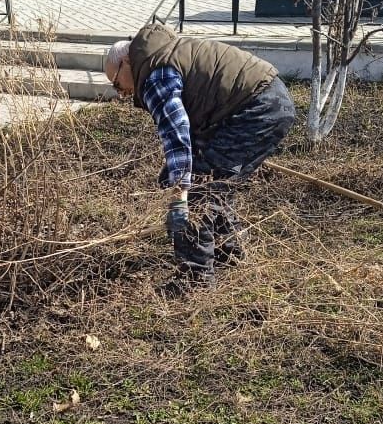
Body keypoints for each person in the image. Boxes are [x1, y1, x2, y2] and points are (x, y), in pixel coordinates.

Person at [104, 22, 296, 292]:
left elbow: (177, 135)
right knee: (215, 183)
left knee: (200, 192)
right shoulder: (164, 53)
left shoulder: (154, 75)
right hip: (263, 101)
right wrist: (173, 176)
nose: (120, 93)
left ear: (126, 61)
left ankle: (195, 279)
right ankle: (227, 253)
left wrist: (180, 196)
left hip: (256, 111)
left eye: (116, 83)